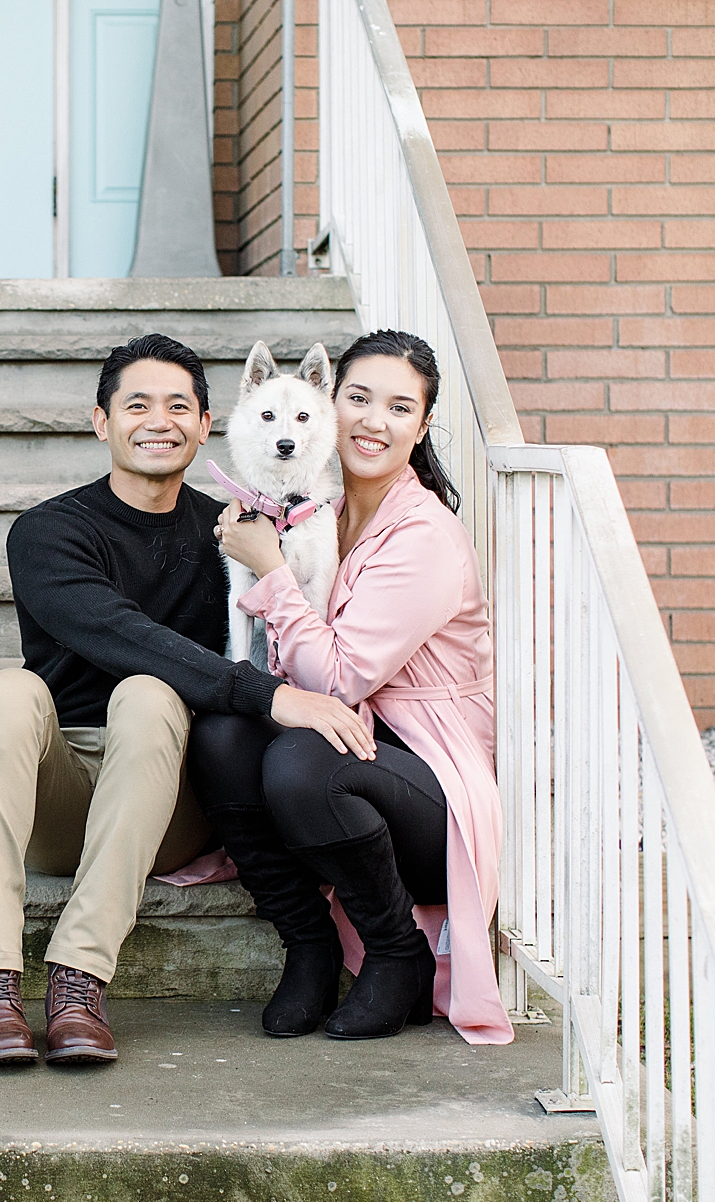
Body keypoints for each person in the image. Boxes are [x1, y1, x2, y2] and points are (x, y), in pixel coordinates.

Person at [0, 333, 376, 1066]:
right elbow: (120, 634)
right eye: (137, 405)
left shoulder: (235, 532)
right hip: (55, 790)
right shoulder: (48, 532)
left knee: (149, 696)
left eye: (179, 405)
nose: (159, 420)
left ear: (206, 425)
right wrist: (268, 698)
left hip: (170, 793)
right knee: (7, 691)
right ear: (101, 422)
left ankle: (80, 979)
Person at [190, 329, 512, 1046]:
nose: (373, 420)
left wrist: (269, 570)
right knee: (219, 736)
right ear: (327, 406)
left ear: (423, 426)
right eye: (358, 399)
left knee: (303, 761)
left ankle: (397, 952)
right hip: (364, 751)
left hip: (434, 788)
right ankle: (307, 943)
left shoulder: (421, 535)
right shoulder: (321, 509)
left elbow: (334, 679)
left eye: (400, 408)